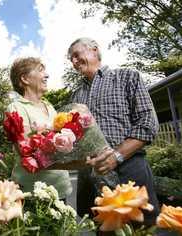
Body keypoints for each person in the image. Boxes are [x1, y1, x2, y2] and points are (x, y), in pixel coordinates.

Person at [67, 37, 160, 226]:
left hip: (129, 166)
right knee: (103, 228)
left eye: (76, 55)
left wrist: (116, 155)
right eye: (71, 59)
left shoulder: (127, 76)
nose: (74, 62)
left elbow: (148, 122)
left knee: (142, 226)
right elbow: (74, 138)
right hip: (92, 173)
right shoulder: (75, 96)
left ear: (94, 50)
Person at [6, 57, 72, 199]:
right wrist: (76, 163)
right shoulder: (16, 108)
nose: (47, 75)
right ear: (25, 79)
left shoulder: (49, 107)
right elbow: (27, 153)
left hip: (60, 188)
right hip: (33, 192)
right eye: (41, 70)